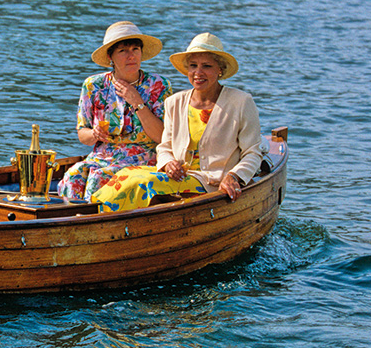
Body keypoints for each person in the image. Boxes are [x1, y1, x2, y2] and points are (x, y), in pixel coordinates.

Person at [92, 32, 262, 212]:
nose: (198, 72)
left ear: (220, 70)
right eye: (193, 66)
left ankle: (101, 220)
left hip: (211, 182)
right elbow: (165, 147)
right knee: (125, 174)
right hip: (179, 177)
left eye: (207, 66)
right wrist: (168, 163)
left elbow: (253, 152)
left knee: (142, 182)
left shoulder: (241, 102)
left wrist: (233, 176)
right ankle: (93, 214)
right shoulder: (175, 102)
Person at [57, 21, 173, 201]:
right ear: (111, 57)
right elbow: (83, 134)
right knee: (73, 175)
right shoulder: (93, 85)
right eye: (123, 51)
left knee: (98, 178)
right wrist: (94, 134)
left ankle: (92, 223)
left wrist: (137, 101)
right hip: (102, 156)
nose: (131, 56)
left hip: (144, 156)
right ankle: (70, 222)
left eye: (136, 49)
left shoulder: (158, 85)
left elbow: (162, 137)